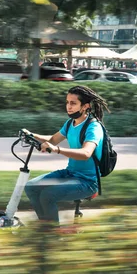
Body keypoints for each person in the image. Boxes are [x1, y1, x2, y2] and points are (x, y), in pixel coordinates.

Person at [23, 85, 108, 225]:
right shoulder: (70, 124)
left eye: (73, 103)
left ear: (85, 106)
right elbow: (52, 140)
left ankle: (52, 234)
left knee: (48, 195)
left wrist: (57, 150)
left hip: (87, 182)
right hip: (70, 173)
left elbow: (86, 153)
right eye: (67, 102)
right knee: (31, 187)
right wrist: (32, 135)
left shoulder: (94, 127)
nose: (68, 106)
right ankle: (45, 225)